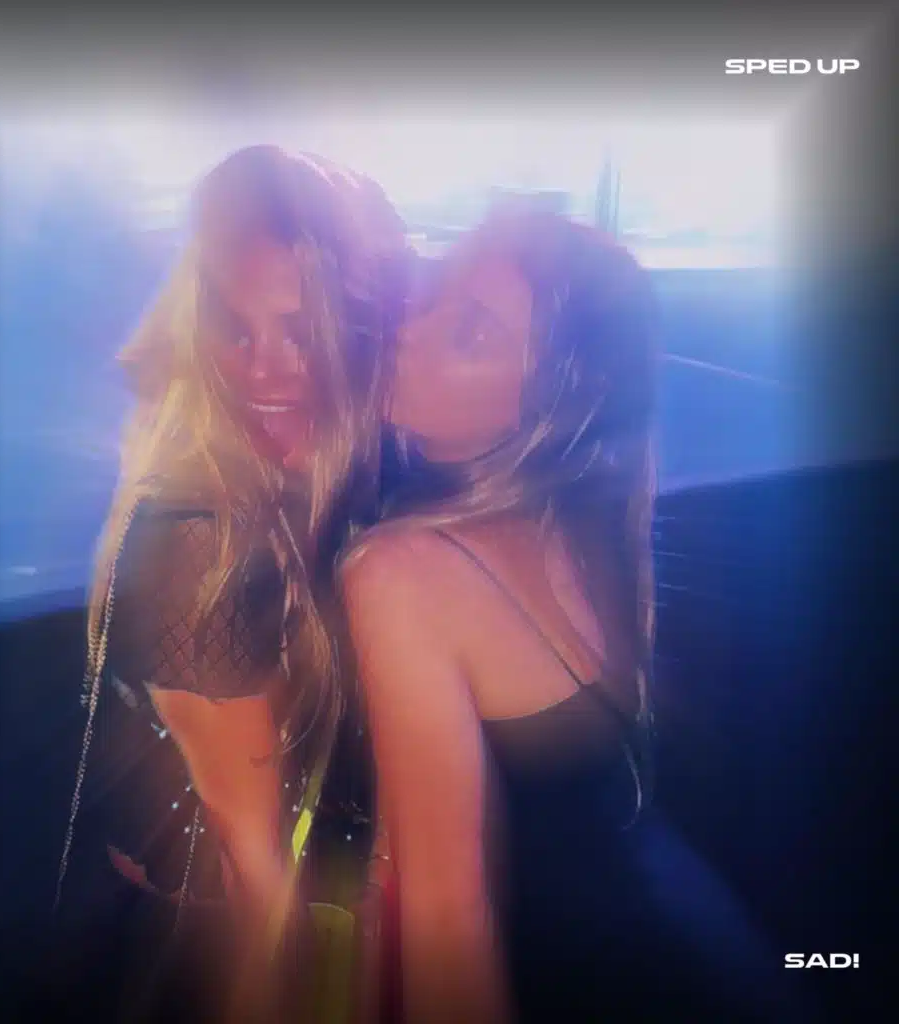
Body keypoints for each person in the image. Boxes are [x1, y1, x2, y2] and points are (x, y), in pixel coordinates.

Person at [341, 211, 817, 1022]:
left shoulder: (400, 572)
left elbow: (449, 918)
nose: (406, 330)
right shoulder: (580, 521)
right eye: (433, 295)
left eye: (470, 333)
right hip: (686, 936)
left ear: (544, 406)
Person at [53, 144, 407, 1022]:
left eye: (299, 329)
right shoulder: (201, 537)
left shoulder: (329, 481)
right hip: (200, 948)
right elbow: (255, 878)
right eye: (235, 328)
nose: (263, 368)